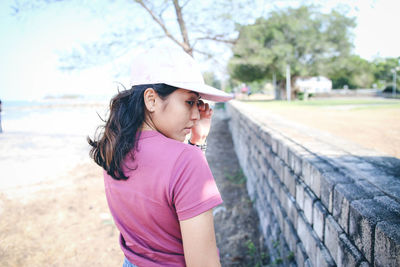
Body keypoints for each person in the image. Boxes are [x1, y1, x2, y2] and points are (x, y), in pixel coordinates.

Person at [88, 47, 232, 267]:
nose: (196, 115)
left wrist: (197, 142)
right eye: (189, 102)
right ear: (151, 99)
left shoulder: (113, 150)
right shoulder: (186, 160)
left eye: (198, 104)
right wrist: (194, 150)